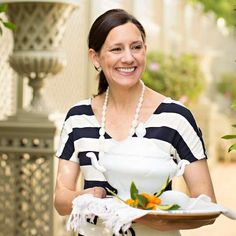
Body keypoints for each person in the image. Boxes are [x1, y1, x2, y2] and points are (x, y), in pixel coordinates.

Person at [54, 8, 216, 236]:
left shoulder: (175, 117)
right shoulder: (78, 117)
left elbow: (206, 202)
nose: (128, 57)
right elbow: (61, 198)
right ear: (95, 57)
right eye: (116, 49)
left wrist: (156, 218)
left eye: (136, 47)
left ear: (145, 51)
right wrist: (91, 197)